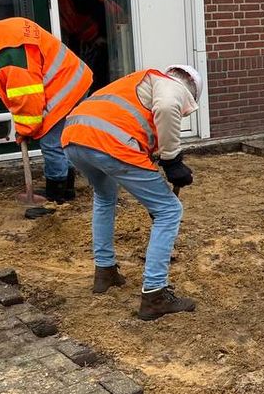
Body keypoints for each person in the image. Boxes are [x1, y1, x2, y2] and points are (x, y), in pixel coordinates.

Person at [60, 66, 202, 320]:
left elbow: (137, 146)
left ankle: (105, 272)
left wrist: (153, 191)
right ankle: (155, 295)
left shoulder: (137, 84)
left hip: (74, 137)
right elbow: (168, 107)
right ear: (190, 90)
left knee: (104, 198)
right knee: (169, 210)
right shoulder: (172, 86)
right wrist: (172, 161)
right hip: (109, 143)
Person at [0, 16, 92, 203]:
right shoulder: (8, 27)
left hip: (64, 88)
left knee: (51, 144)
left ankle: (56, 193)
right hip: (73, 78)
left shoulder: (10, 55)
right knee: (60, 141)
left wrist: (25, 131)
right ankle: (67, 189)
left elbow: (28, 100)